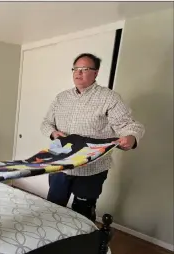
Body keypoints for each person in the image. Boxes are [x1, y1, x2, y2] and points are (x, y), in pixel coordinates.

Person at [40, 53, 145, 222]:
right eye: (76, 69)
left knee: (82, 214)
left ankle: (80, 245)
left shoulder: (109, 98)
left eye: (85, 69)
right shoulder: (61, 98)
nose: (78, 73)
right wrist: (53, 133)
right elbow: (46, 123)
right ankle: (53, 243)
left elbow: (130, 125)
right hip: (61, 164)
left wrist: (131, 137)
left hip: (92, 168)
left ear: (96, 73)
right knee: (53, 207)